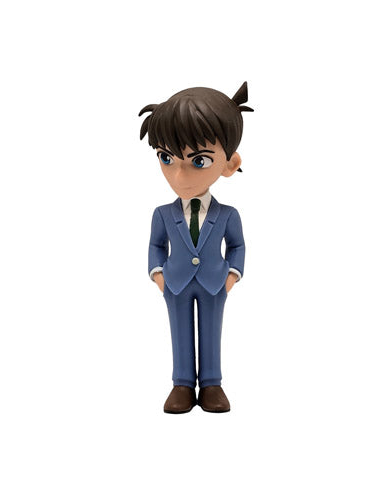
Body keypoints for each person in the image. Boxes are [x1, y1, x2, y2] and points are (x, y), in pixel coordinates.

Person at [139, 82, 252, 413]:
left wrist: (232, 275)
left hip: (215, 282)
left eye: (198, 160)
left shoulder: (227, 215)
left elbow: (237, 245)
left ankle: (212, 383)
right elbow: (155, 244)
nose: (179, 175)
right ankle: (183, 384)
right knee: (179, 331)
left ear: (229, 164)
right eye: (166, 158)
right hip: (174, 282)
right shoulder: (162, 214)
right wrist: (157, 274)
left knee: (212, 330)